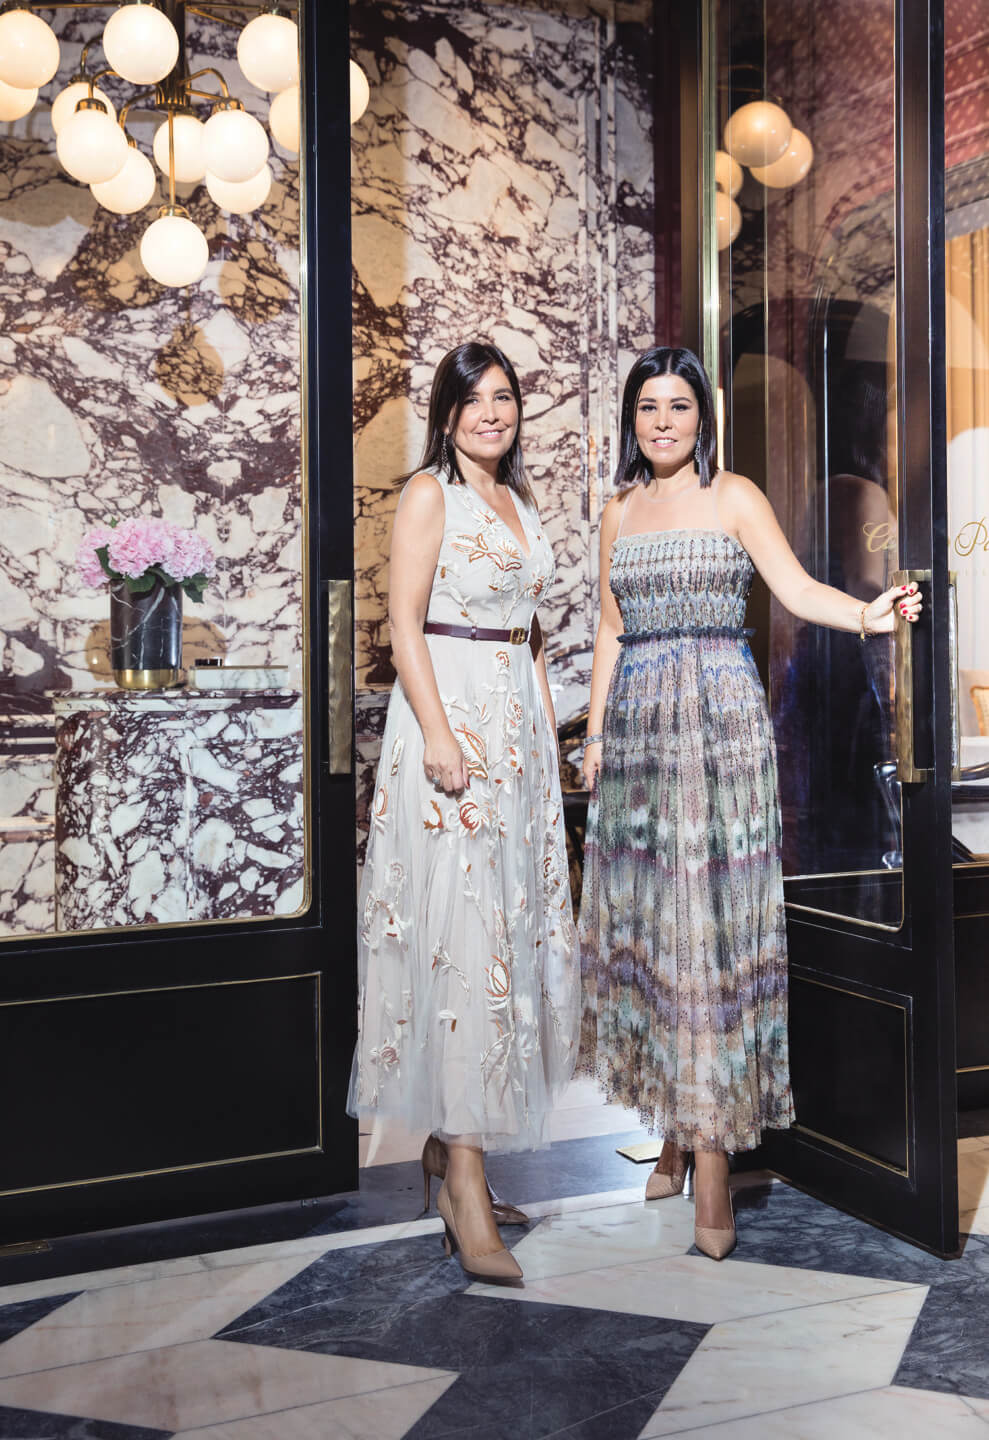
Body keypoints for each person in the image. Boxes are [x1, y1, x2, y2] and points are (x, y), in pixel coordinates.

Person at [578, 345, 921, 1260]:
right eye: (647, 406)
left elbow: (796, 589)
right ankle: (672, 1130)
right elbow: (609, 626)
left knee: (710, 935)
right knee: (657, 933)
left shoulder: (733, 496)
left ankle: (713, 1161)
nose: (662, 422)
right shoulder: (617, 510)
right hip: (639, 735)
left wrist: (868, 614)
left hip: (719, 729)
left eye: (678, 406)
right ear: (631, 419)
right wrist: (598, 738)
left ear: (703, 417)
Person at [348, 341, 579, 1283]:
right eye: (475, 398)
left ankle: (455, 1155)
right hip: (449, 730)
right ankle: (466, 1186)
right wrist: (441, 736)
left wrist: (547, 741)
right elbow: (403, 625)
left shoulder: (517, 499)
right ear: (446, 413)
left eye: (505, 396)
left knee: (505, 942)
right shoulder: (428, 494)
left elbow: (527, 631)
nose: (493, 411)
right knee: (462, 939)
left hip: (516, 740)